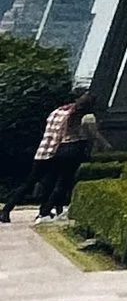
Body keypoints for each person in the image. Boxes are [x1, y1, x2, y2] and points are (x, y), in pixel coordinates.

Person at [30, 89, 104, 219]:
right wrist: (103, 145)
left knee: (55, 181)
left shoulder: (68, 113)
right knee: (64, 183)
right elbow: (92, 134)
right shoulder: (87, 116)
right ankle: (47, 211)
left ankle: (49, 210)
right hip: (75, 148)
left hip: (61, 148)